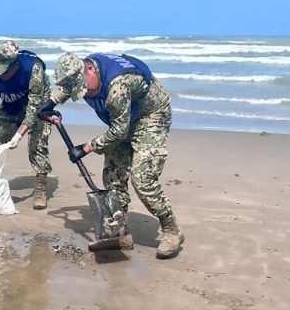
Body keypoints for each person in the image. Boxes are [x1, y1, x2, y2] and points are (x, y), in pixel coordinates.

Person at [37, 52, 184, 259]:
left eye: (84, 87)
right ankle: (119, 231)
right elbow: (69, 85)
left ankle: (172, 230)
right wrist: (52, 101)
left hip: (150, 115)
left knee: (143, 179)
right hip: (123, 116)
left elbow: (118, 132)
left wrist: (86, 148)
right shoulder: (82, 70)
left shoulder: (117, 86)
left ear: (89, 69)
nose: (84, 92)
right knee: (114, 174)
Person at [0, 41, 53, 209]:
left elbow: (34, 108)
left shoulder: (33, 70)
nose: (1, 75)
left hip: (39, 105)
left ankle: (40, 189)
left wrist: (18, 135)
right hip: (11, 104)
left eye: (5, 71)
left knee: (38, 145)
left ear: (15, 65)